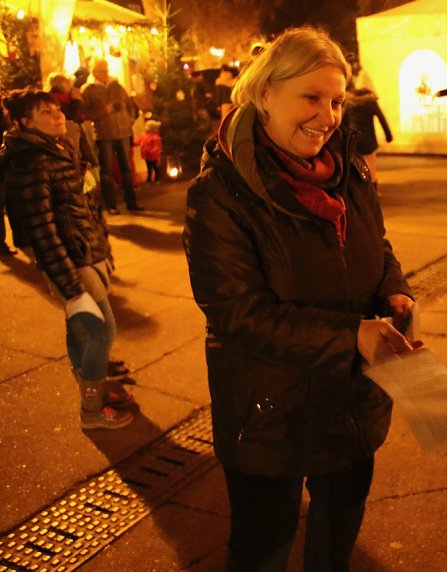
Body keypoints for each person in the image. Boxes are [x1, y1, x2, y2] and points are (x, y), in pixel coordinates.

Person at [183, 27, 417, 571]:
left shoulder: (350, 170)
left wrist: (395, 290)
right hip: (269, 411)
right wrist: (352, 336)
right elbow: (237, 313)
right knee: (263, 546)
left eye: (336, 100)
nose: (328, 116)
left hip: (351, 402)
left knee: (338, 531)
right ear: (266, 94)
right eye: (311, 97)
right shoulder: (220, 192)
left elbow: (376, 245)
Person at [0, 89, 135, 429]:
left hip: (83, 250)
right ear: (26, 122)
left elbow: (81, 207)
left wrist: (100, 246)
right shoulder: (31, 161)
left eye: (57, 109)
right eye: (46, 112)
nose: (58, 115)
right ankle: (92, 409)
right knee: (101, 329)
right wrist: (69, 285)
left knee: (80, 329)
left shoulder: (57, 147)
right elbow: (42, 231)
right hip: (69, 259)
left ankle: (92, 389)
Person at [80, 58, 143, 214]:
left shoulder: (116, 86)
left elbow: (129, 104)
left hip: (123, 133)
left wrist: (130, 119)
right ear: (94, 72)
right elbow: (84, 113)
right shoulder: (88, 90)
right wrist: (103, 111)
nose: (106, 73)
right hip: (104, 135)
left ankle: (131, 202)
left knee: (127, 169)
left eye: (106, 70)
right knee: (106, 171)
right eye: (102, 71)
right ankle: (111, 205)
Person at [343, 83, 392, 187]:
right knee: (371, 168)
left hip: (354, 140)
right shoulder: (371, 102)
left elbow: (343, 121)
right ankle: (372, 191)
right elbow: (381, 119)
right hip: (369, 140)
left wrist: (344, 139)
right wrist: (388, 136)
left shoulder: (349, 102)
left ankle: (360, 190)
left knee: (356, 168)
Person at [136, 119, 163, 184]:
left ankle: (156, 179)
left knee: (155, 168)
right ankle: (149, 179)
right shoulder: (144, 136)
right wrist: (132, 143)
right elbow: (138, 141)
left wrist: (151, 152)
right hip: (147, 156)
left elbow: (157, 147)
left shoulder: (155, 137)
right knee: (149, 168)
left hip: (153, 156)